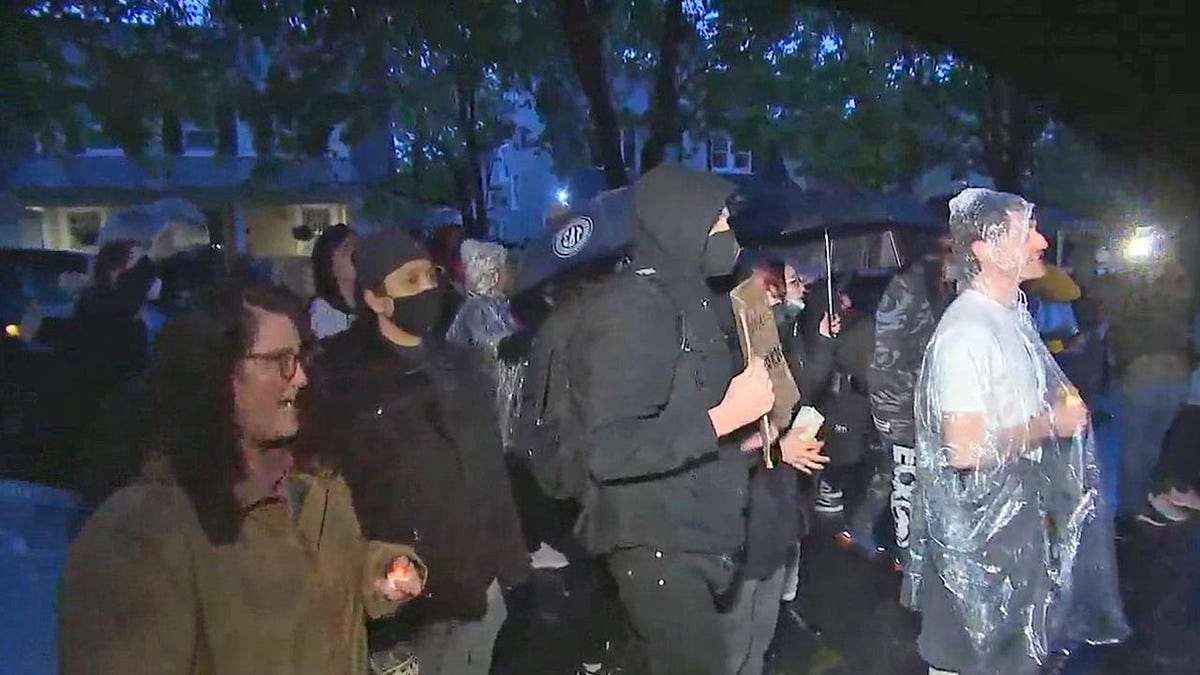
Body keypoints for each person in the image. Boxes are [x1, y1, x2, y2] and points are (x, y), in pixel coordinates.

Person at [529, 164, 818, 675]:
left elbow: (681, 419)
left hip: (690, 531)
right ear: (682, 224)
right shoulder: (635, 307)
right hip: (656, 542)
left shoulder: (687, 297)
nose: (731, 230)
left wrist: (757, 439)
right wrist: (727, 416)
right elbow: (611, 447)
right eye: (721, 220)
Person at [59, 283, 425, 674]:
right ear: (217, 374)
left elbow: (318, 575)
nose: (300, 378)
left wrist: (379, 570)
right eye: (279, 360)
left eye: (300, 358)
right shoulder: (142, 534)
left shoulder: (316, 490)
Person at [909, 188, 1127, 675]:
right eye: (1024, 230)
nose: (1041, 241)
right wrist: (1051, 424)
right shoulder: (968, 332)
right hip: (978, 553)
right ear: (985, 248)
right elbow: (964, 450)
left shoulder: (1009, 318)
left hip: (1014, 535)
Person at [308, 229, 530, 675]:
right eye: (409, 282)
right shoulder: (340, 378)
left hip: (478, 591)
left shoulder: (460, 365)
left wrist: (515, 573)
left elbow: (490, 475)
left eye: (430, 276)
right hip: (404, 605)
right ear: (375, 299)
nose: (427, 289)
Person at [446, 238, 570, 570]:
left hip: (506, 413)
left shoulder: (494, 306)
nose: (509, 274)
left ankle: (528, 542)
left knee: (519, 475)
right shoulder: (476, 310)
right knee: (512, 480)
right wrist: (528, 341)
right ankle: (524, 548)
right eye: (502, 268)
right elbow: (495, 348)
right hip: (491, 415)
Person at [867, 231, 955, 578]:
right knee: (904, 476)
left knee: (905, 475)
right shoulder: (907, 287)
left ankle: (869, 532)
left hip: (925, 402)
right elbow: (885, 356)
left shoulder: (943, 289)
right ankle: (906, 557)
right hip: (900, 403)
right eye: (951, 248)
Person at [309, 223, 358, 339]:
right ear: (328, 262)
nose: (357, 255)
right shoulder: (323, 312)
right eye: (346, 251)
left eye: (358, 247)